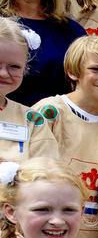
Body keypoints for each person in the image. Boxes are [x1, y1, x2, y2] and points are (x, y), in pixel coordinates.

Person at [32, 35, 98, 238]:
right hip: (46, 230)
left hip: (91, 235)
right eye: (96, 69)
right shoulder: (51, 112)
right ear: (74, 72)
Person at [0, 17, 58, 164]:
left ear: (25, 68)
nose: (4, 73)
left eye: (14, 67)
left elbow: (47, 169)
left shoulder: (33, 120)